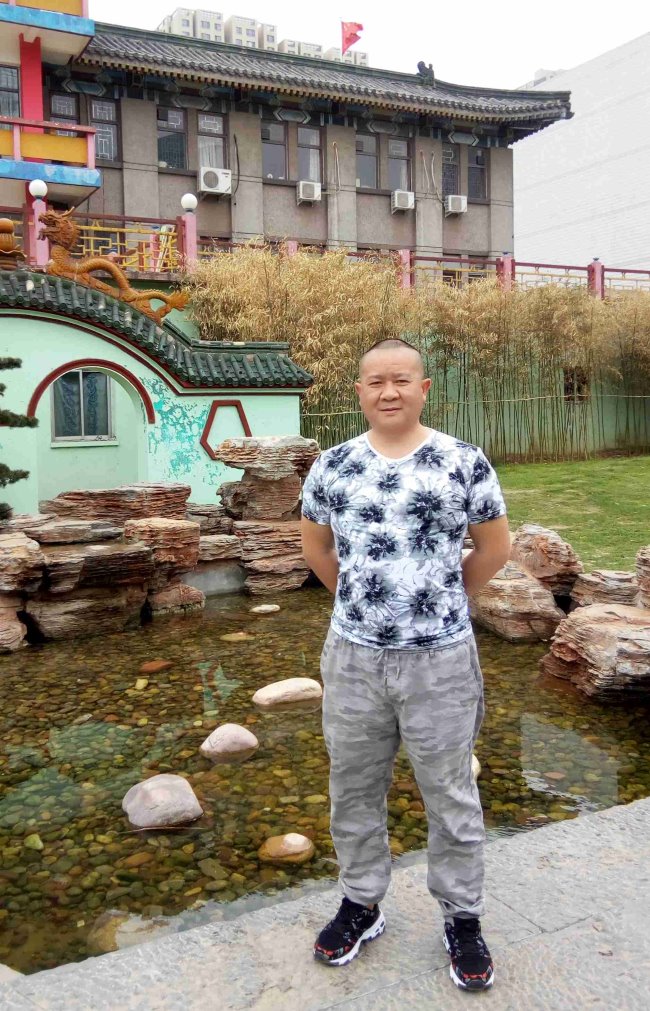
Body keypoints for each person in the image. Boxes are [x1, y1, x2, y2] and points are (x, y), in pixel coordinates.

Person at [300, 338, 511, 991]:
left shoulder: (463, 461)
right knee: (353, 787)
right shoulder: (332, 465)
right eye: (375, 381)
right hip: (354, 660)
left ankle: (462, 916)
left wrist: (440, 601)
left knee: (450, 792)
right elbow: (317, 551)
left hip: (440, 661)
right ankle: (361, 902)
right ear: (359, 392)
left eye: (400, 380)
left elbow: (494, 548)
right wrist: (366, 607)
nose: (388, 391)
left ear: (423, 388)